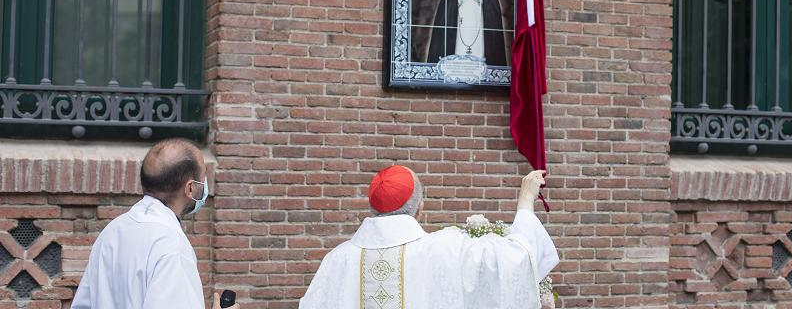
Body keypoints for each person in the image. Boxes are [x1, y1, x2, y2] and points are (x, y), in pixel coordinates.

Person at [299, 165, 558, 309]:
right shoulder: (447, 249)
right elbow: (517, 259)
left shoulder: (337, 260)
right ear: (420, 207)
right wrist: (525, 200)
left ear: (372, 208)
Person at [71, 138, 239, 309]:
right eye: (203, 177)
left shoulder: (112, 230)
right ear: (189, 189)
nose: (204, 184)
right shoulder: (172, 247)